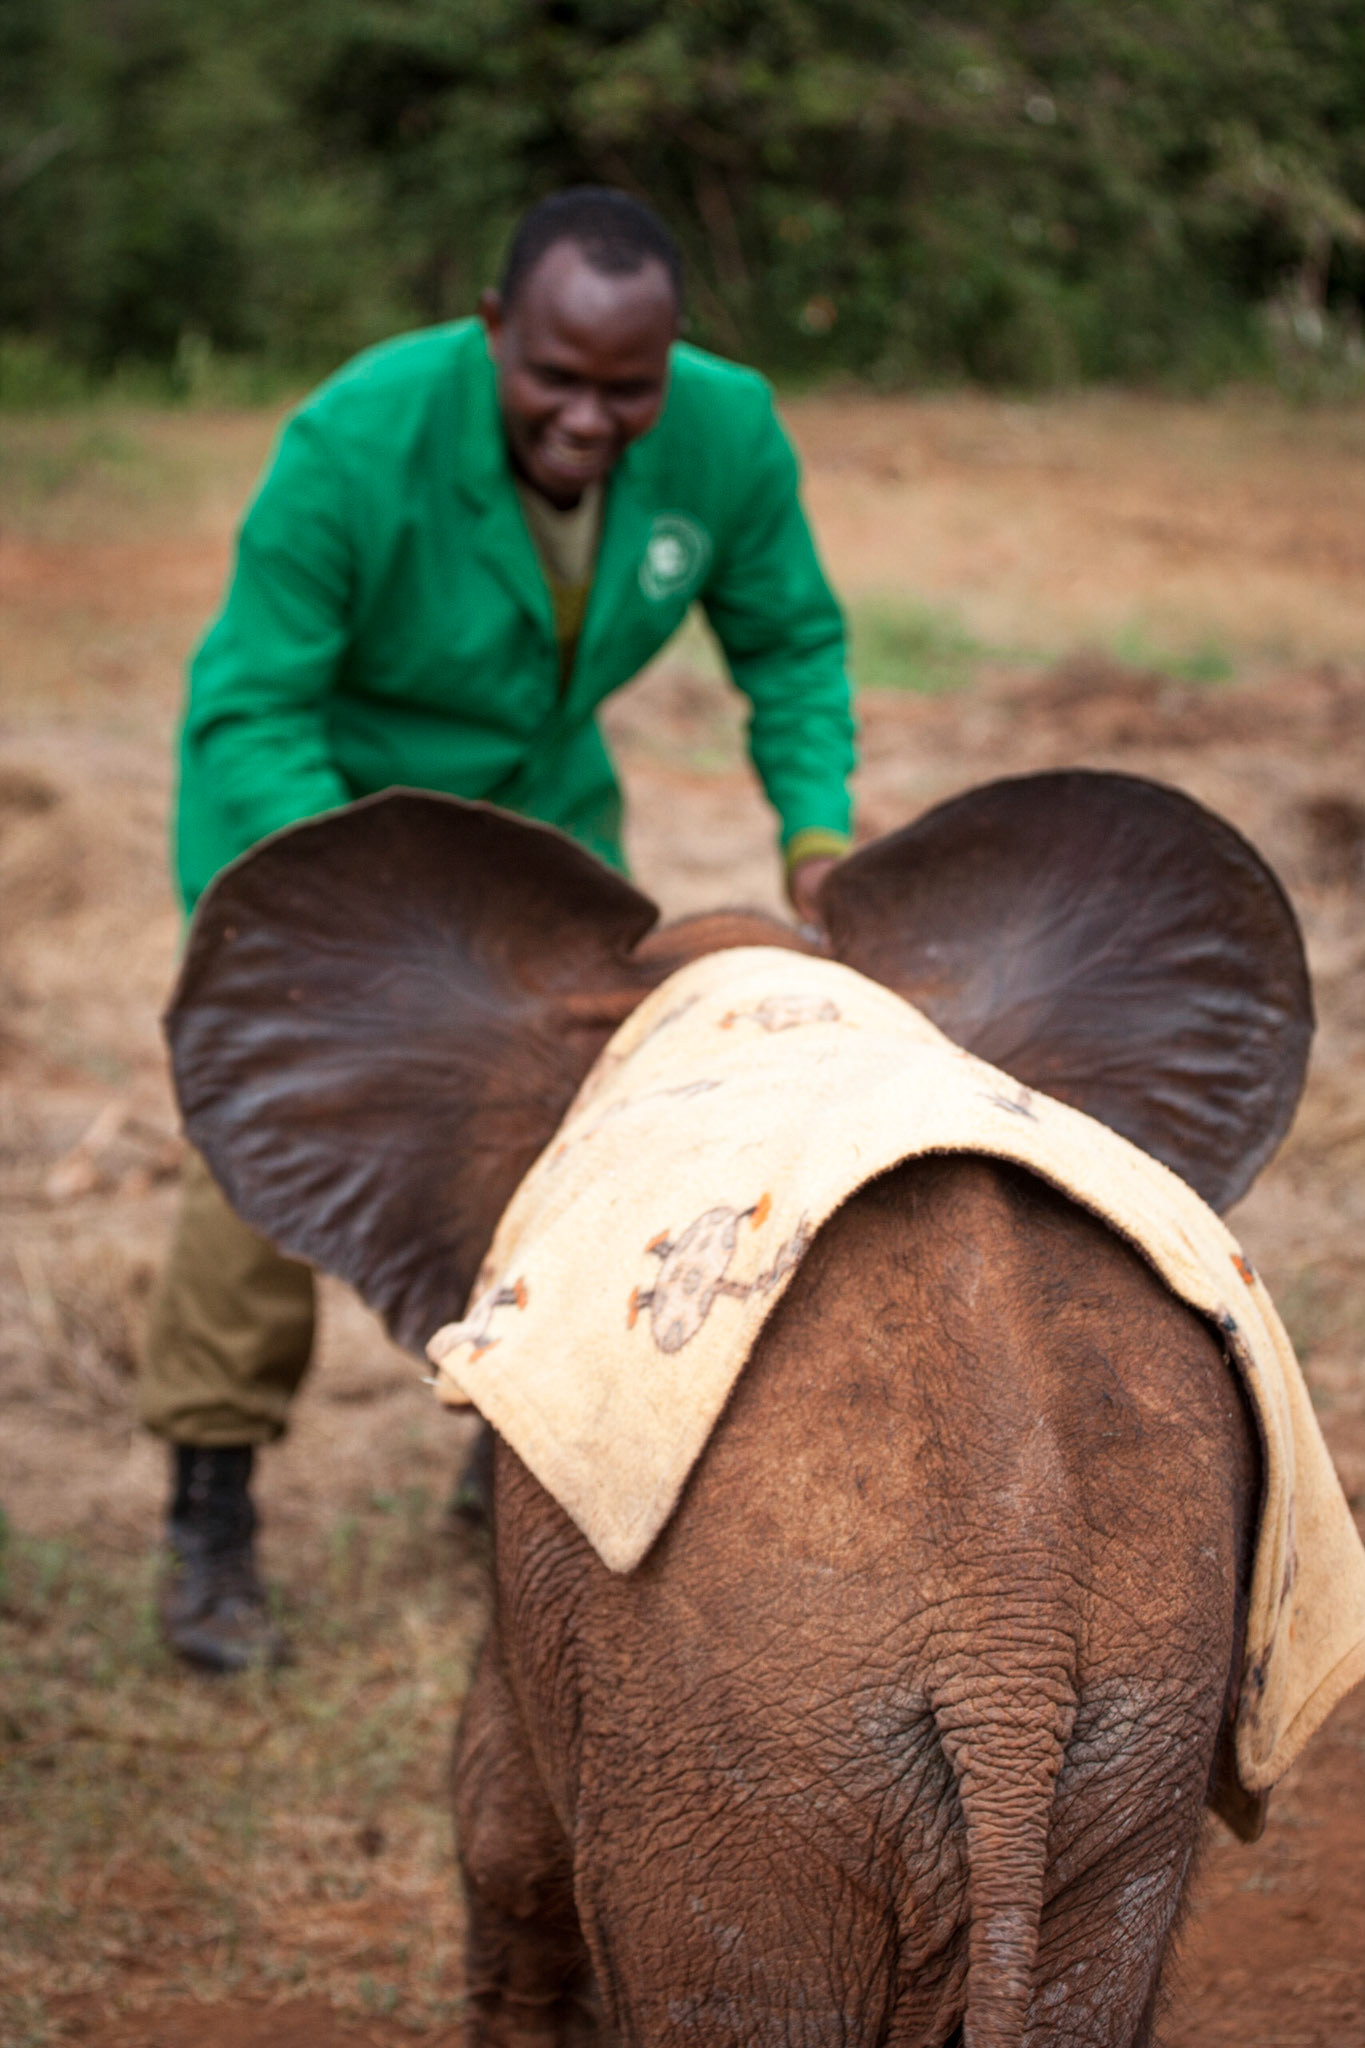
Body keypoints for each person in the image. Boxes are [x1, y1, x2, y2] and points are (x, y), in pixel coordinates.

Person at [143, 186, 857, 1670]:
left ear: (671, 362)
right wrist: (364, 916)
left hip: (539, 831)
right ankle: (210, 1501)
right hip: (314, 826)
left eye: (627, 385)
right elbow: (254, 699)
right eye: (556, 376)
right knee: (269, 1142)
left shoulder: (727, 434)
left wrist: (816, 831)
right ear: (491, 333)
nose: (591, 415)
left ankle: (512, 1455)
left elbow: (789, 639)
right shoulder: (354, 441)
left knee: (577, 1122)